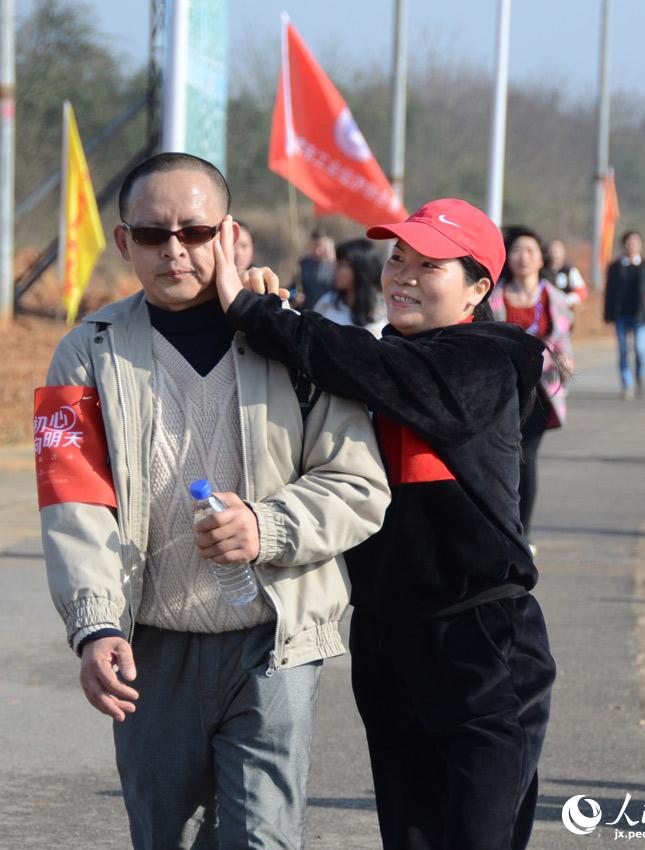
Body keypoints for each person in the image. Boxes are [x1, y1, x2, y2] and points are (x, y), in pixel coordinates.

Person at [37, 152, 390, 849]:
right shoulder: (85, 354)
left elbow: (358, 485)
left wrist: (267, 525)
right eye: (152, 234)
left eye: (195, 232)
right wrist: (95, 625)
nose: (174, 250)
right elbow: (72, 500)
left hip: (273, 644)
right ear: (123, 242)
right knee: (162, 836)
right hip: (150, 651)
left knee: (264, 838)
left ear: (228, 236)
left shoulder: (296, 343)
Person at [213, 198, 557, 850]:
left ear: (478, 287)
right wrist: (260, 312)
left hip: (479, 637)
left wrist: (266, 316)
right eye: (398, 256)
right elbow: (326, 383)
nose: (402, 273)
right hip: (385, 638)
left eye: (430, 264)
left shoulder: (488, 360)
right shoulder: (374, 361)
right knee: (410, 834)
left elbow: (386, 371)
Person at [489, 227, 573, 555]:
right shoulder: (494, 297)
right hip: (503, 388)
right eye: (517, 250)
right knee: (502, 457)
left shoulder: (555, 298)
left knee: (527, 458)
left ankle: (522, 532)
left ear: (541, 257)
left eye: (530, 250)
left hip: (541, 388)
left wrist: (565, 359)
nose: (523, 257)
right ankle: (503, 525)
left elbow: (564, 340)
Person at [604, 230, 645, 399]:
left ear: (640, 245)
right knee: (623, 350)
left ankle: (639, 375)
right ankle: (627, 383)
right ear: (623, 245)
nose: (632, 245)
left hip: (640, 314)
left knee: (639, 349)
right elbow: (609, 291)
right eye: (629, 242)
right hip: (621, 314)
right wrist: (607, 313)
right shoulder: (615, 266)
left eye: (635, 242)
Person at [312, 237, 387, 337]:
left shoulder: (384, 312)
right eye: (336, 263)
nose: (335, 269)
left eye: (342, 264)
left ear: (361, 269)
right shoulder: (327, 304)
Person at [290, 228, 335, 308]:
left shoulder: (336, 267)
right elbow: (294, 287)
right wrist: (294, 296)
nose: (317, 250)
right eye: (314, 246)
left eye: (321, 246)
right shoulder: (304, 264)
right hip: (307, 311)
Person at [544, 238, 588, 308]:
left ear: (563, 252)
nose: (554, 253)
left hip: (563, 314)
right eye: (552, 250)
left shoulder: (570, 271)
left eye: (557, 250)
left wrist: (566, 301)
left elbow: (582, 292)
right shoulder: (542, 272)